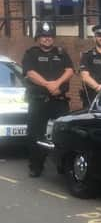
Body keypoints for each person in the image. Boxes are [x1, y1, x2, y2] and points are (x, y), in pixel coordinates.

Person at [21, 21, 74, 177]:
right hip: (38, 101)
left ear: (53, 38)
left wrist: (56, 83)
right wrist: (47, 84)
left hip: (59, 101)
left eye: (49, 36)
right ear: (38, 38)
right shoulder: (31, 53)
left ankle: (62, 166)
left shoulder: (61, 52)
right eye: (44, 36)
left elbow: (70, 70)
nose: (47, 39)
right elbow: (30, 73)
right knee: (35, 135)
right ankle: (36, 166)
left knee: (64, 133)